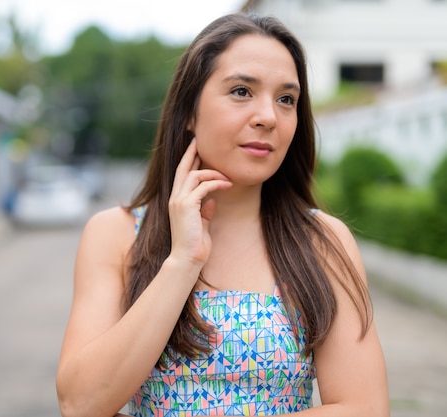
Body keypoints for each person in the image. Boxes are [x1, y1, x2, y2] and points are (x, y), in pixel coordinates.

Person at [55, 12, 389, 417]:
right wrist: (182, 262)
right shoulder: (116, 235)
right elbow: (80, 403)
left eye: (286, 99)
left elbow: (364, 407)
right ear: (190, 111)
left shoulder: (322, 241)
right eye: (242, 91)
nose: (268, 116)